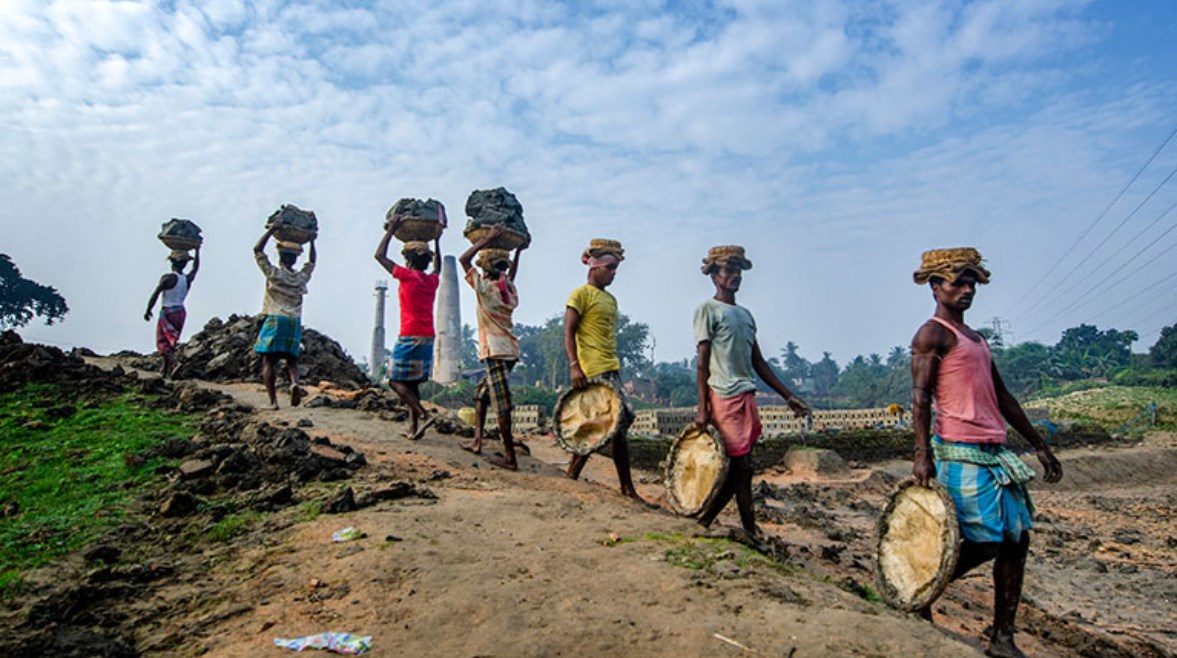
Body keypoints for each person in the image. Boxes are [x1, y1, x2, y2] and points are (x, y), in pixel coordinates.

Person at [910, 247, 1063, 658]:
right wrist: (922, 453)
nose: (966, 290)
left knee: (1017, 541)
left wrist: (1040, 444)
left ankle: (1002, 636)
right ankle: (917, 594)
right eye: (958, 282)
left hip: (994, 454)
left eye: (972, 282)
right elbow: (920, 398)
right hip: (959, 452)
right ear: (935, 286)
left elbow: (1004, 396)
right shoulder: (932, 334)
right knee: (982, 543)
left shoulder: (975, 338)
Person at [693, 246, 808, 546]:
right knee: (740, 467)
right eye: (728, 271)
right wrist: (702, 407)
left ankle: (729, 523)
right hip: (723, 395)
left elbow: (758, 362)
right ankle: (733, 525)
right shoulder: (708, 310)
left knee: (742, 468)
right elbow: (702, 363)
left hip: (745, 395)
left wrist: (788, 396)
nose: (735, 277)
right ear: (714, 276)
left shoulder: (745, 315)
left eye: (738, 272)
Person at [563, 238, 653, 506]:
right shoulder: (580, 294)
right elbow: (568, 332)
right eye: (610, 268)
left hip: (611, 367)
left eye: (615, 269)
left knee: (608, 425)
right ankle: (623, 487)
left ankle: (574, 473)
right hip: (592, 370)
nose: (613, 274)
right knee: (617, 420)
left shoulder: (610, 300)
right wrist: (574, 365)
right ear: (595, 267)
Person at [457, 225, 526, 469]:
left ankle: (510, 457)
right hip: (508, 351)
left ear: (485, 269)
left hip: (495, 352)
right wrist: (518, 252)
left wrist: (487, 239)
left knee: (501, 404)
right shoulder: (507, 289)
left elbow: (463, 259)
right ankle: (477, 440)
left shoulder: (484, 289)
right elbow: (512, 276)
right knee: (481, 394)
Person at [375, 217, 442, 441]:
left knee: (394, 381)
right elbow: (438, 269)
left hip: (409, 334)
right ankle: (413, 428)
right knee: (412, 383)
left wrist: (391, 230)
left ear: (408, 261)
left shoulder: (406, 276)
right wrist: (438, 242)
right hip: (427, 336)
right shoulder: (431, 282)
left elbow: (379, 256)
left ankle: (423, 415)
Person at [253, 226, 316, 409]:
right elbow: (312, 262)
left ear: (280, 256)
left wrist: (271, 230)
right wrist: (312, 241)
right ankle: (294, 382)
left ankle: (273, 402)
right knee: (292, 359)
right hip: (294, 321)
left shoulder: (274, 274)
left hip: (275, 318)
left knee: (268, 362)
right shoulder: (300, 279)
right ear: (296, 258)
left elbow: (258, 250)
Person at [144, 246, 200, 379]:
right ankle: (165, 370)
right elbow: (196, 268)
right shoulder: (187, 279)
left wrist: (148, 309)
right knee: (171, 342)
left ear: (172, 263)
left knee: (163, 342)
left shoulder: (168, 278)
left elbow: (156, 294)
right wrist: (198, 251)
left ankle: (175, 364)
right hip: (180, 312)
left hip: (168, 312)